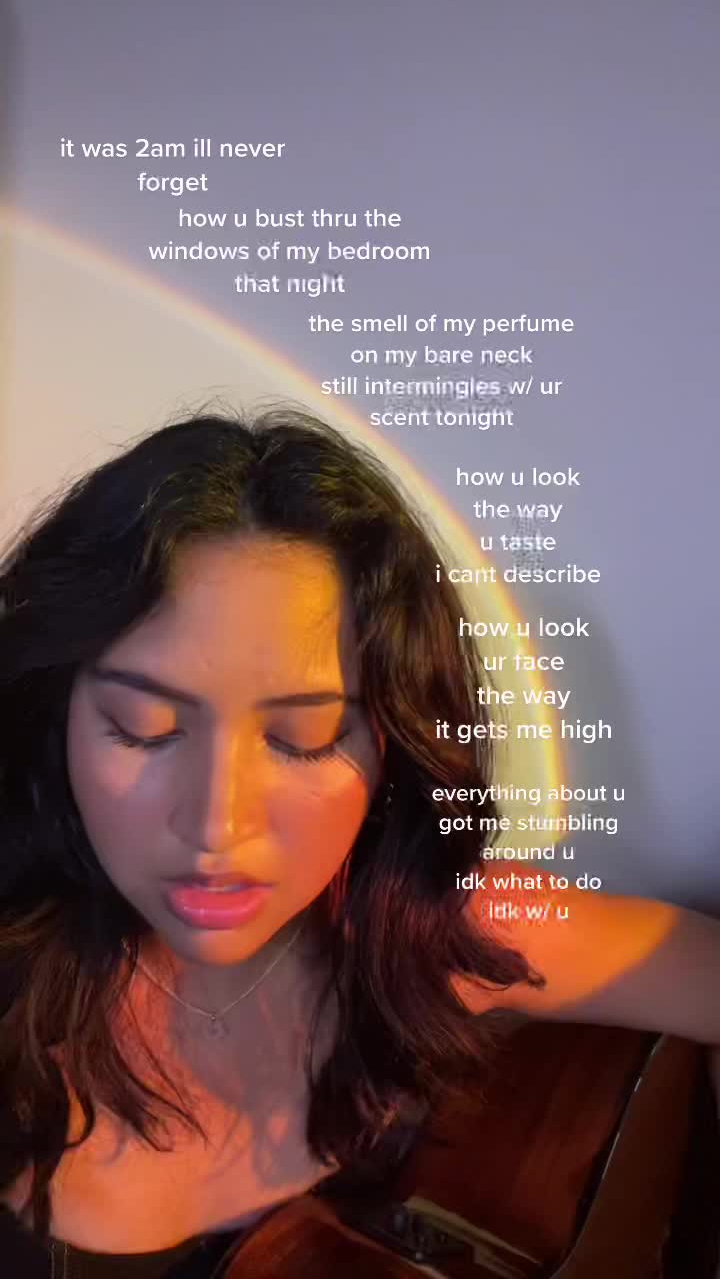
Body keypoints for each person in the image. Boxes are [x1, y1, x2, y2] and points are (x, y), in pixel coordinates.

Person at [1, 404, 719, 1278]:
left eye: (303, 739)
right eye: (144, 727)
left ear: (392, 745)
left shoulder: (444, 927)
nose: (217, 824)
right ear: (53, 717)